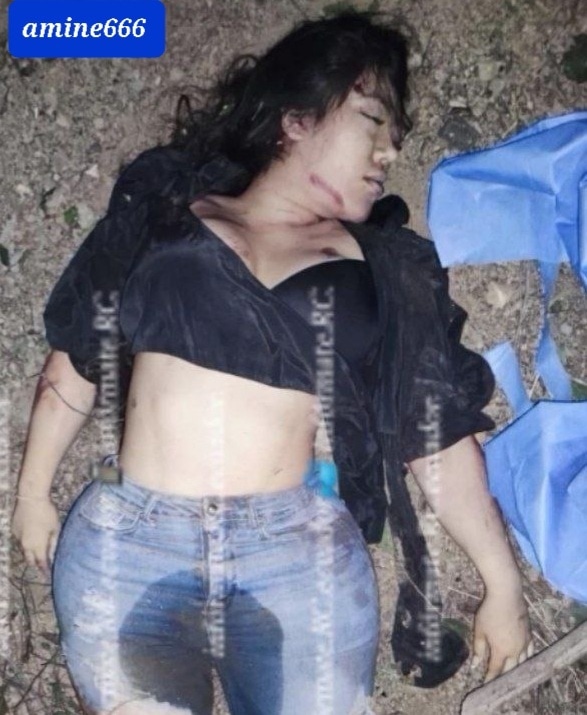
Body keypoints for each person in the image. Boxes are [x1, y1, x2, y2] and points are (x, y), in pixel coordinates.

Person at [12, 10, 532, 715]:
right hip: (130, 543)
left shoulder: (384, 266)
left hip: (292, 552)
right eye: (373, 122)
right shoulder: (167, 207)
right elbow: (81, 353)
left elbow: (431, 431)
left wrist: (502, 584)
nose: (388, 152)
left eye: (397, 141)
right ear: (297, 119)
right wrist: (33, 493)